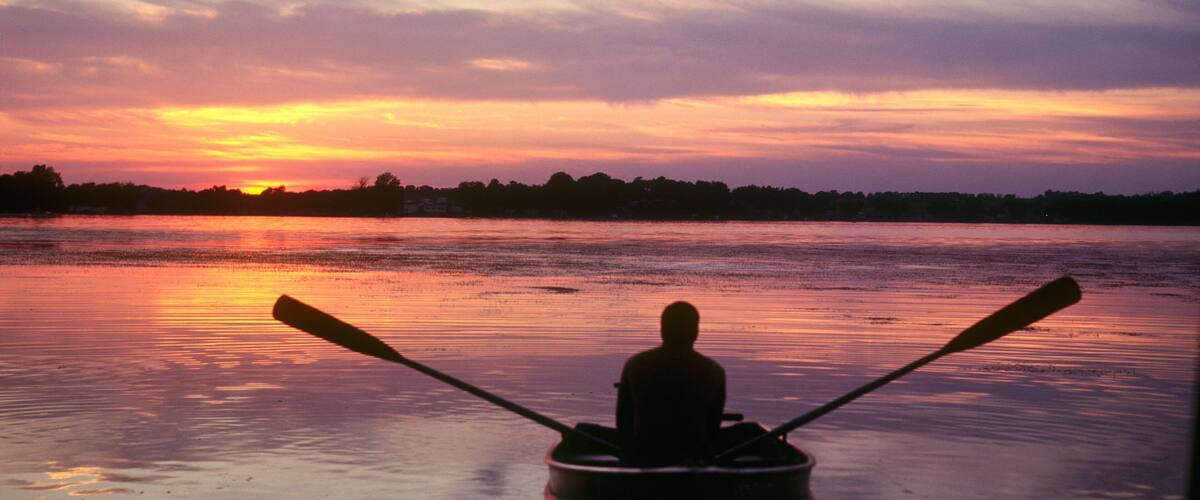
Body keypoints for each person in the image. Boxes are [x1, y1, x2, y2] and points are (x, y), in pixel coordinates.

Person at [617, 301, 726, 465]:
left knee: (583, 431)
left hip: (645, 453)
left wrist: (628, 455)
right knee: (751, 432)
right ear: (695, 332)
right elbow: (713, 427)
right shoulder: (714, 371)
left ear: (662, 330)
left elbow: (624, 422)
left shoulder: (635, 365)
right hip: (695, 455)